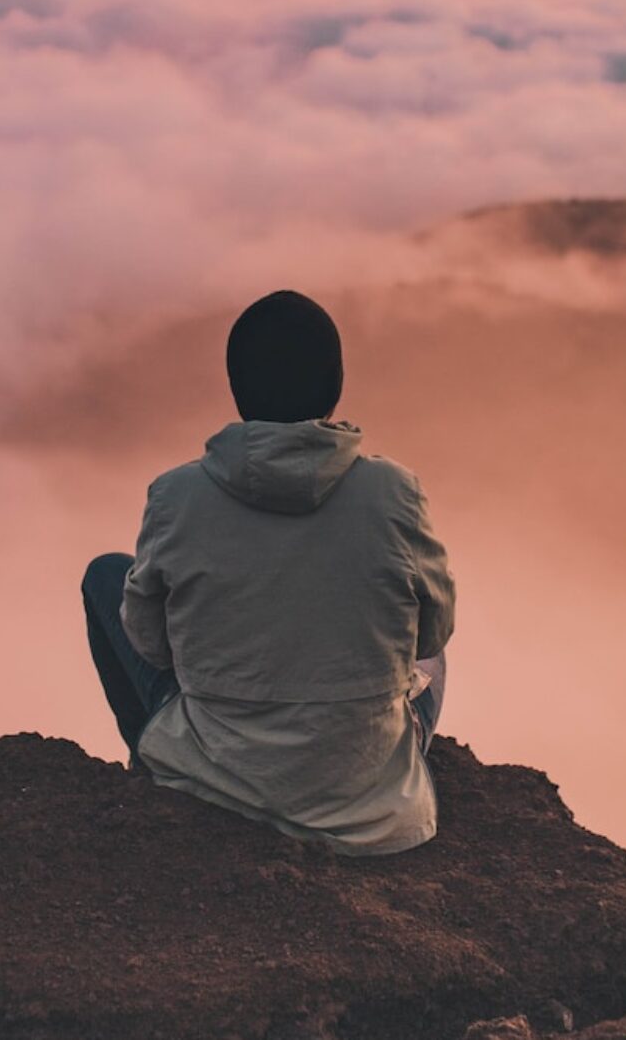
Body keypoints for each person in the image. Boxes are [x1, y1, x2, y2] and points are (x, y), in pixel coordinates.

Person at [81, 289, 455, 854]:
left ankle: (154, 766)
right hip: (367, 801)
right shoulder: (394, 492)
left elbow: (152, 647)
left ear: (237, 391)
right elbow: (431, 634)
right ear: (335, 389)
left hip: (216, 773)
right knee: (433, 659)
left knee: (107, 576)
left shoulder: (176, 495)